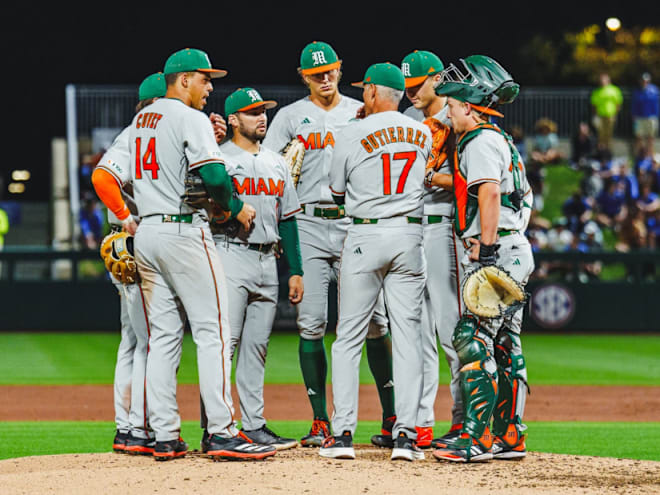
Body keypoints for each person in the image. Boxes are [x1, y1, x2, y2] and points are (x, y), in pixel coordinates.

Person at [129, 48, 275, 461]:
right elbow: (213, 175)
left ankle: (164, 435)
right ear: (184, 79)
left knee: (164, 338)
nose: (210, 87)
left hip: (149, 231)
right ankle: (222, 432)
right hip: (183, 231)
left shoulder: (142, 118)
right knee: (213, 332)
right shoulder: (188, 117)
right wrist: (231, 207)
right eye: (205, 79)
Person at [262, 41, 396, 447]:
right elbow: (266, 168)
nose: (325, 78)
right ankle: (321, 420)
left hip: (354, 223)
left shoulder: (359, 111)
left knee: (375, 323)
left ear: (340, 70)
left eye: (331, 71)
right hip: (309, 223)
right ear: (303, 76)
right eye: (316, 74)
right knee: (311, 323)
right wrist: (282, 161)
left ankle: (392, 417)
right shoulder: (289, 117)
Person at [320, 62, 430, 461]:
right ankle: (406, 436)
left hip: (366, 233)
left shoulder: (351, 131)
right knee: (408, 338)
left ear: (370, 92)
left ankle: (343, 433)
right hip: (409, 235)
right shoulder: (421, 132)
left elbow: (335, 192)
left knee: (348, 337)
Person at [432, 55, 534, 462]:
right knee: (505, 343)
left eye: (454, 106)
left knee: (471, 338)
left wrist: (487, 249)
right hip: (513, 246)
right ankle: (510, 433)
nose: (449, 111)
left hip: (497, 249)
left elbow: (489, 192)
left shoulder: (478, 140)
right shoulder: (498, 137)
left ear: (470, 108)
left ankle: (475, 439)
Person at [213, 87, 303, 450]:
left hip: (269, 260)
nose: (261, 117)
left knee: (256, 348)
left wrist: (295, 270)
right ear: (233, 119)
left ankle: (253, 424)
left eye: (263, 111)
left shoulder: (277, 162)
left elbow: (289, 219)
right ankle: (217, 426)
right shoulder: (219, 159)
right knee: (225, 345)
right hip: (230, 252)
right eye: (252, 112)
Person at [92, 72, 165, 455]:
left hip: (127, 246)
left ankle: (127, 426)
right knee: (152, 341)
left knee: (134, 341)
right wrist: (125, 215)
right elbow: (102, 178)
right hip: (138, 245)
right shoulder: (144, 131)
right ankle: (139, 427)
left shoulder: (137, 132)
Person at [399, 49, 464, 451]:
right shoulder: (406, 120)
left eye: (417, 85)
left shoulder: (458, 116)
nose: (410, 94)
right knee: (416, 333)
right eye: (405, 87)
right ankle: (420, 423)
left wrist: (432, 177)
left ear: (437, 78)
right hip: (409, 228)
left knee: (450, 329)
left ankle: (463, 421)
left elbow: (466, 176)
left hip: (442, 227)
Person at [590, 73, 623, 151]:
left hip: (610, 115)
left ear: (608, 80)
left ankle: (608, 151)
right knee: (600, 135)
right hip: (600, 116)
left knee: (609, 135)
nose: (603, 81)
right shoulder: (596, 91)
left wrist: (615, 114)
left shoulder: (614, 90)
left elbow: (618, 103)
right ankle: (601, 152)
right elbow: (594, 105)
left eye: (604, 79)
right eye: (601, 80)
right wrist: (595, 116)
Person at [631, 72, 659, 158]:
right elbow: (634, 105)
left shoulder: (655, 90)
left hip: (651, 117)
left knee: (650, 137)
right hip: (639, 117)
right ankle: (640, 154)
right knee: (639, 136)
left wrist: (656, 116)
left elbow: (657, 104)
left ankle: (650, 154)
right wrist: (633, 115)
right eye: (643, 80)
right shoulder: (637, 91)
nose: (644, 82)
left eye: (646, 80)